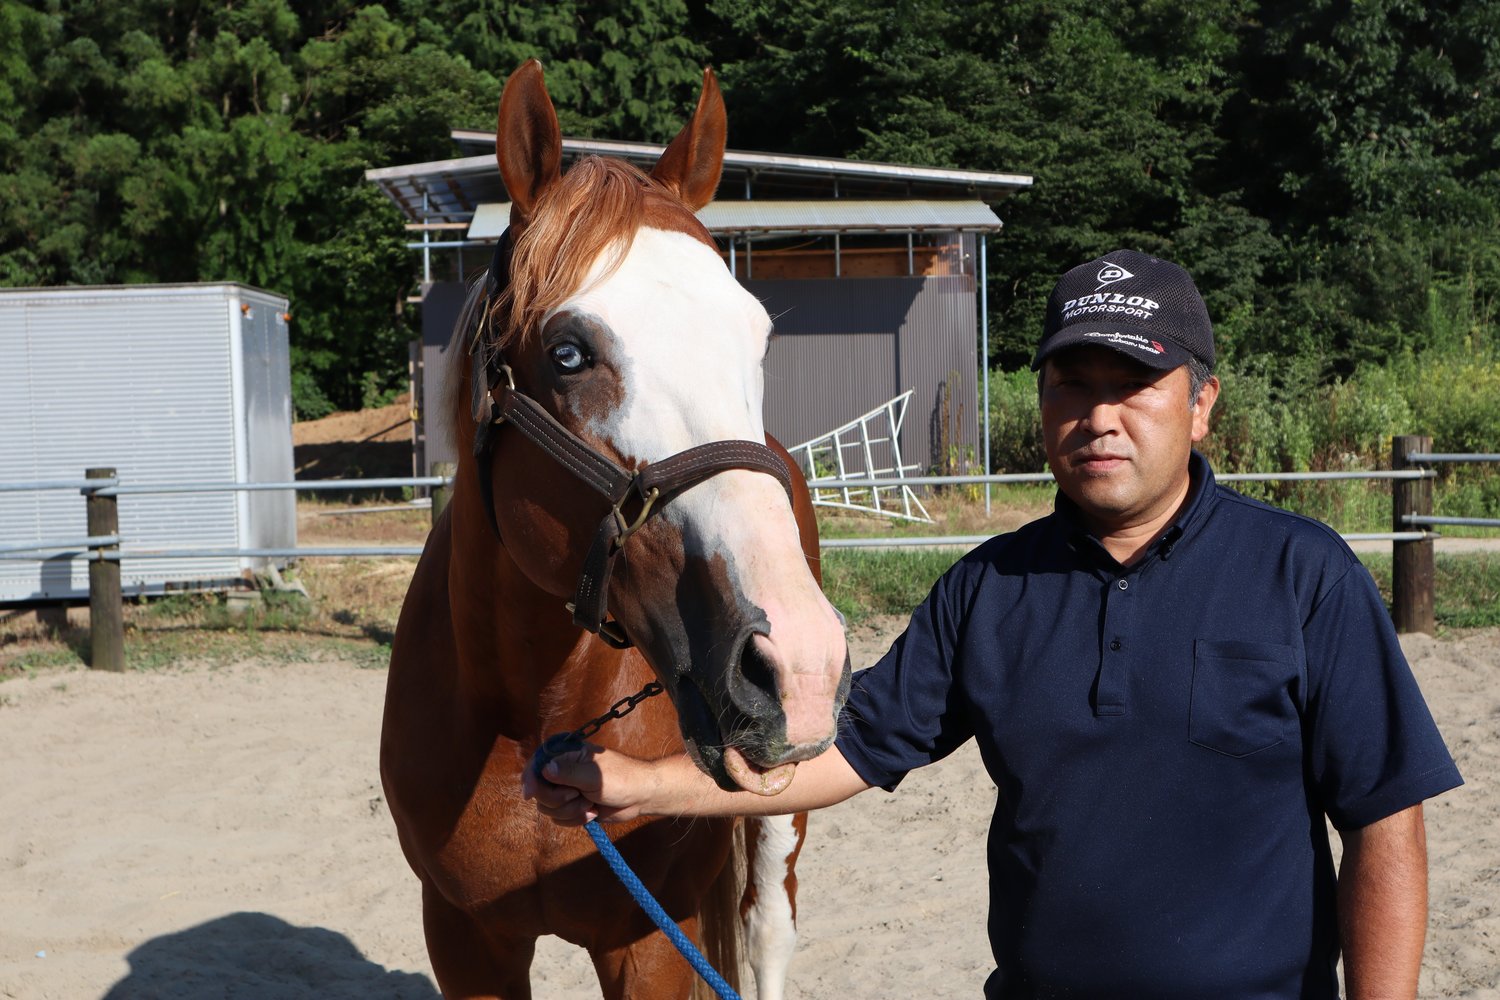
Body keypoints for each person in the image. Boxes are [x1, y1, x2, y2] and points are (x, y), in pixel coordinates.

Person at [524, 249, 1463, 1000]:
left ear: (1201, 404)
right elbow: (850, 751)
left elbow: (1384, 822)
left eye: (1134, 383)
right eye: (1071, 384)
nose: (1099, 417)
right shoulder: (990, 588)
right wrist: (640, 785)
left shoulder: (1303, 575)